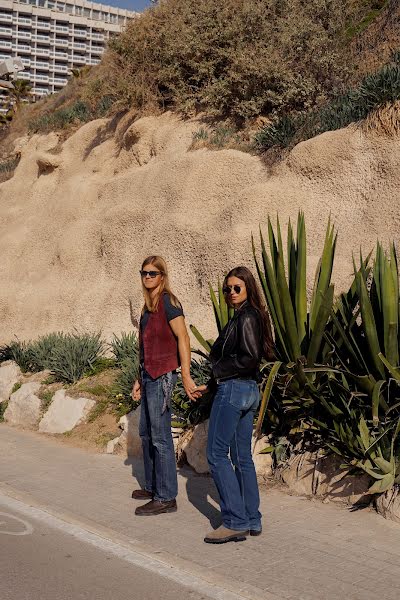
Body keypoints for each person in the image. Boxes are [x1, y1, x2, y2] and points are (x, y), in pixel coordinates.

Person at [196, 266, 274, 544]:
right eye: (227, 289)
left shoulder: (247, 316)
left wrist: (219, 373)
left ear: (248, 288)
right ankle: (251, 518)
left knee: (216, 455)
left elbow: (250, 358)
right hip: (246, 390)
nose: (230, 293)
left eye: (236, 288)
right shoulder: (245, 316)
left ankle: (234, 521)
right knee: (241, 457)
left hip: (234, 390)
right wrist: (213, 382)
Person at [131, 255, 197, 516]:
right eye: (144, 273)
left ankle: (167, 496)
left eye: (153, 273)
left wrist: (186, 375)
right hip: (148, 376)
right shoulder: (148, 307)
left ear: (162, 276)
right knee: (146, 434)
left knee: (160, 437)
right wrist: (138, 378)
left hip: (162, 377)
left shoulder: (169, 303)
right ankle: (152, 486)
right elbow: (146, 347)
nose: (148, 277)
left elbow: (183, 338)